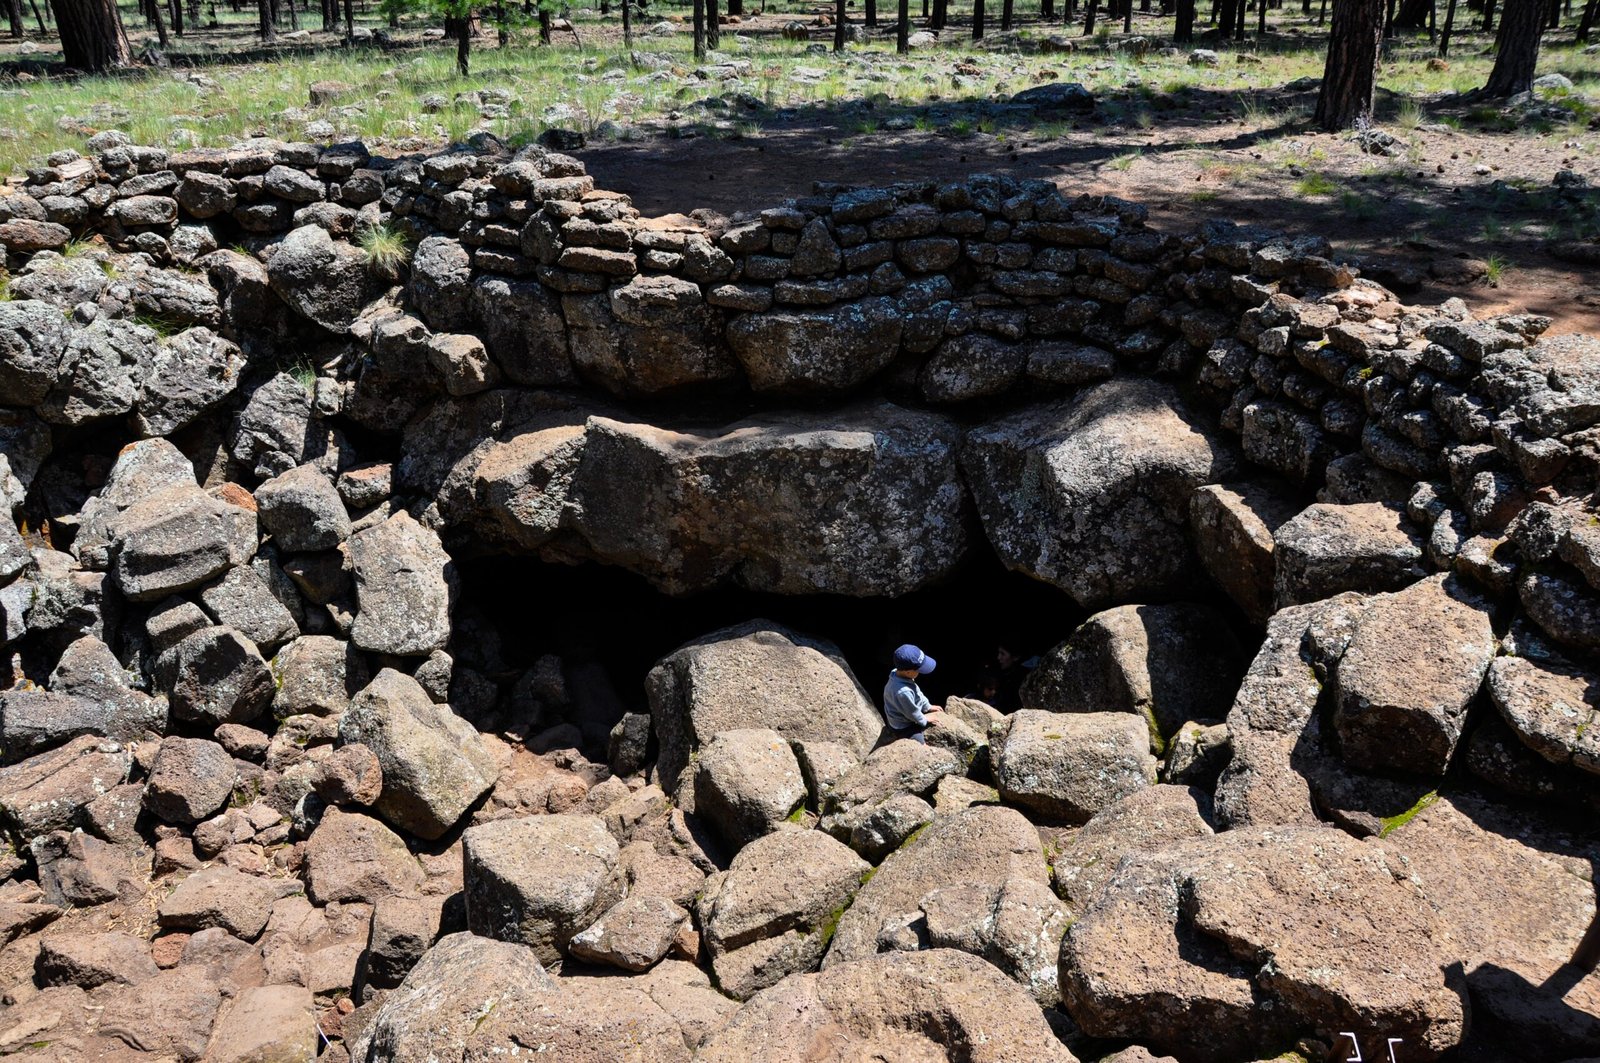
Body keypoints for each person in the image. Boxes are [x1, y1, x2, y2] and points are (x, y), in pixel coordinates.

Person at [883, 644, 941, 743]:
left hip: (907, 710)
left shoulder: (898, 674)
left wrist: (928, 706)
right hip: (903, 725)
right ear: (908, 672)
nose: (920, 672)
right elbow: (911, 713)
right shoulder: (903, 692)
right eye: (918, 670)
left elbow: (918, 693)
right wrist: (924, 719)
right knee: (920, 743)